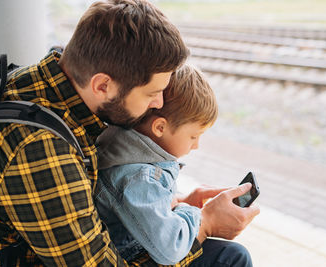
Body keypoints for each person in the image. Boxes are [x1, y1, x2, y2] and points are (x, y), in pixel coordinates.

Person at [0, 0, 190, 265]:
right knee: (227, 257)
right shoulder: (42, 153)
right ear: (102, 85)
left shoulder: (36, 82)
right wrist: (202, 230)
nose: (158, 103)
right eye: (152, 93)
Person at [95, 64, 259, 267]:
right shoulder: (139, 177)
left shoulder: (129, 150)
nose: (197, 145)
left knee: (233, 255)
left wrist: (180, 201)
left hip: (137, 243)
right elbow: (170, 248)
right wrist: (203, 218)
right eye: (193, 136)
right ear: (160, 127)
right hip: (130, 253)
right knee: (233, 258)